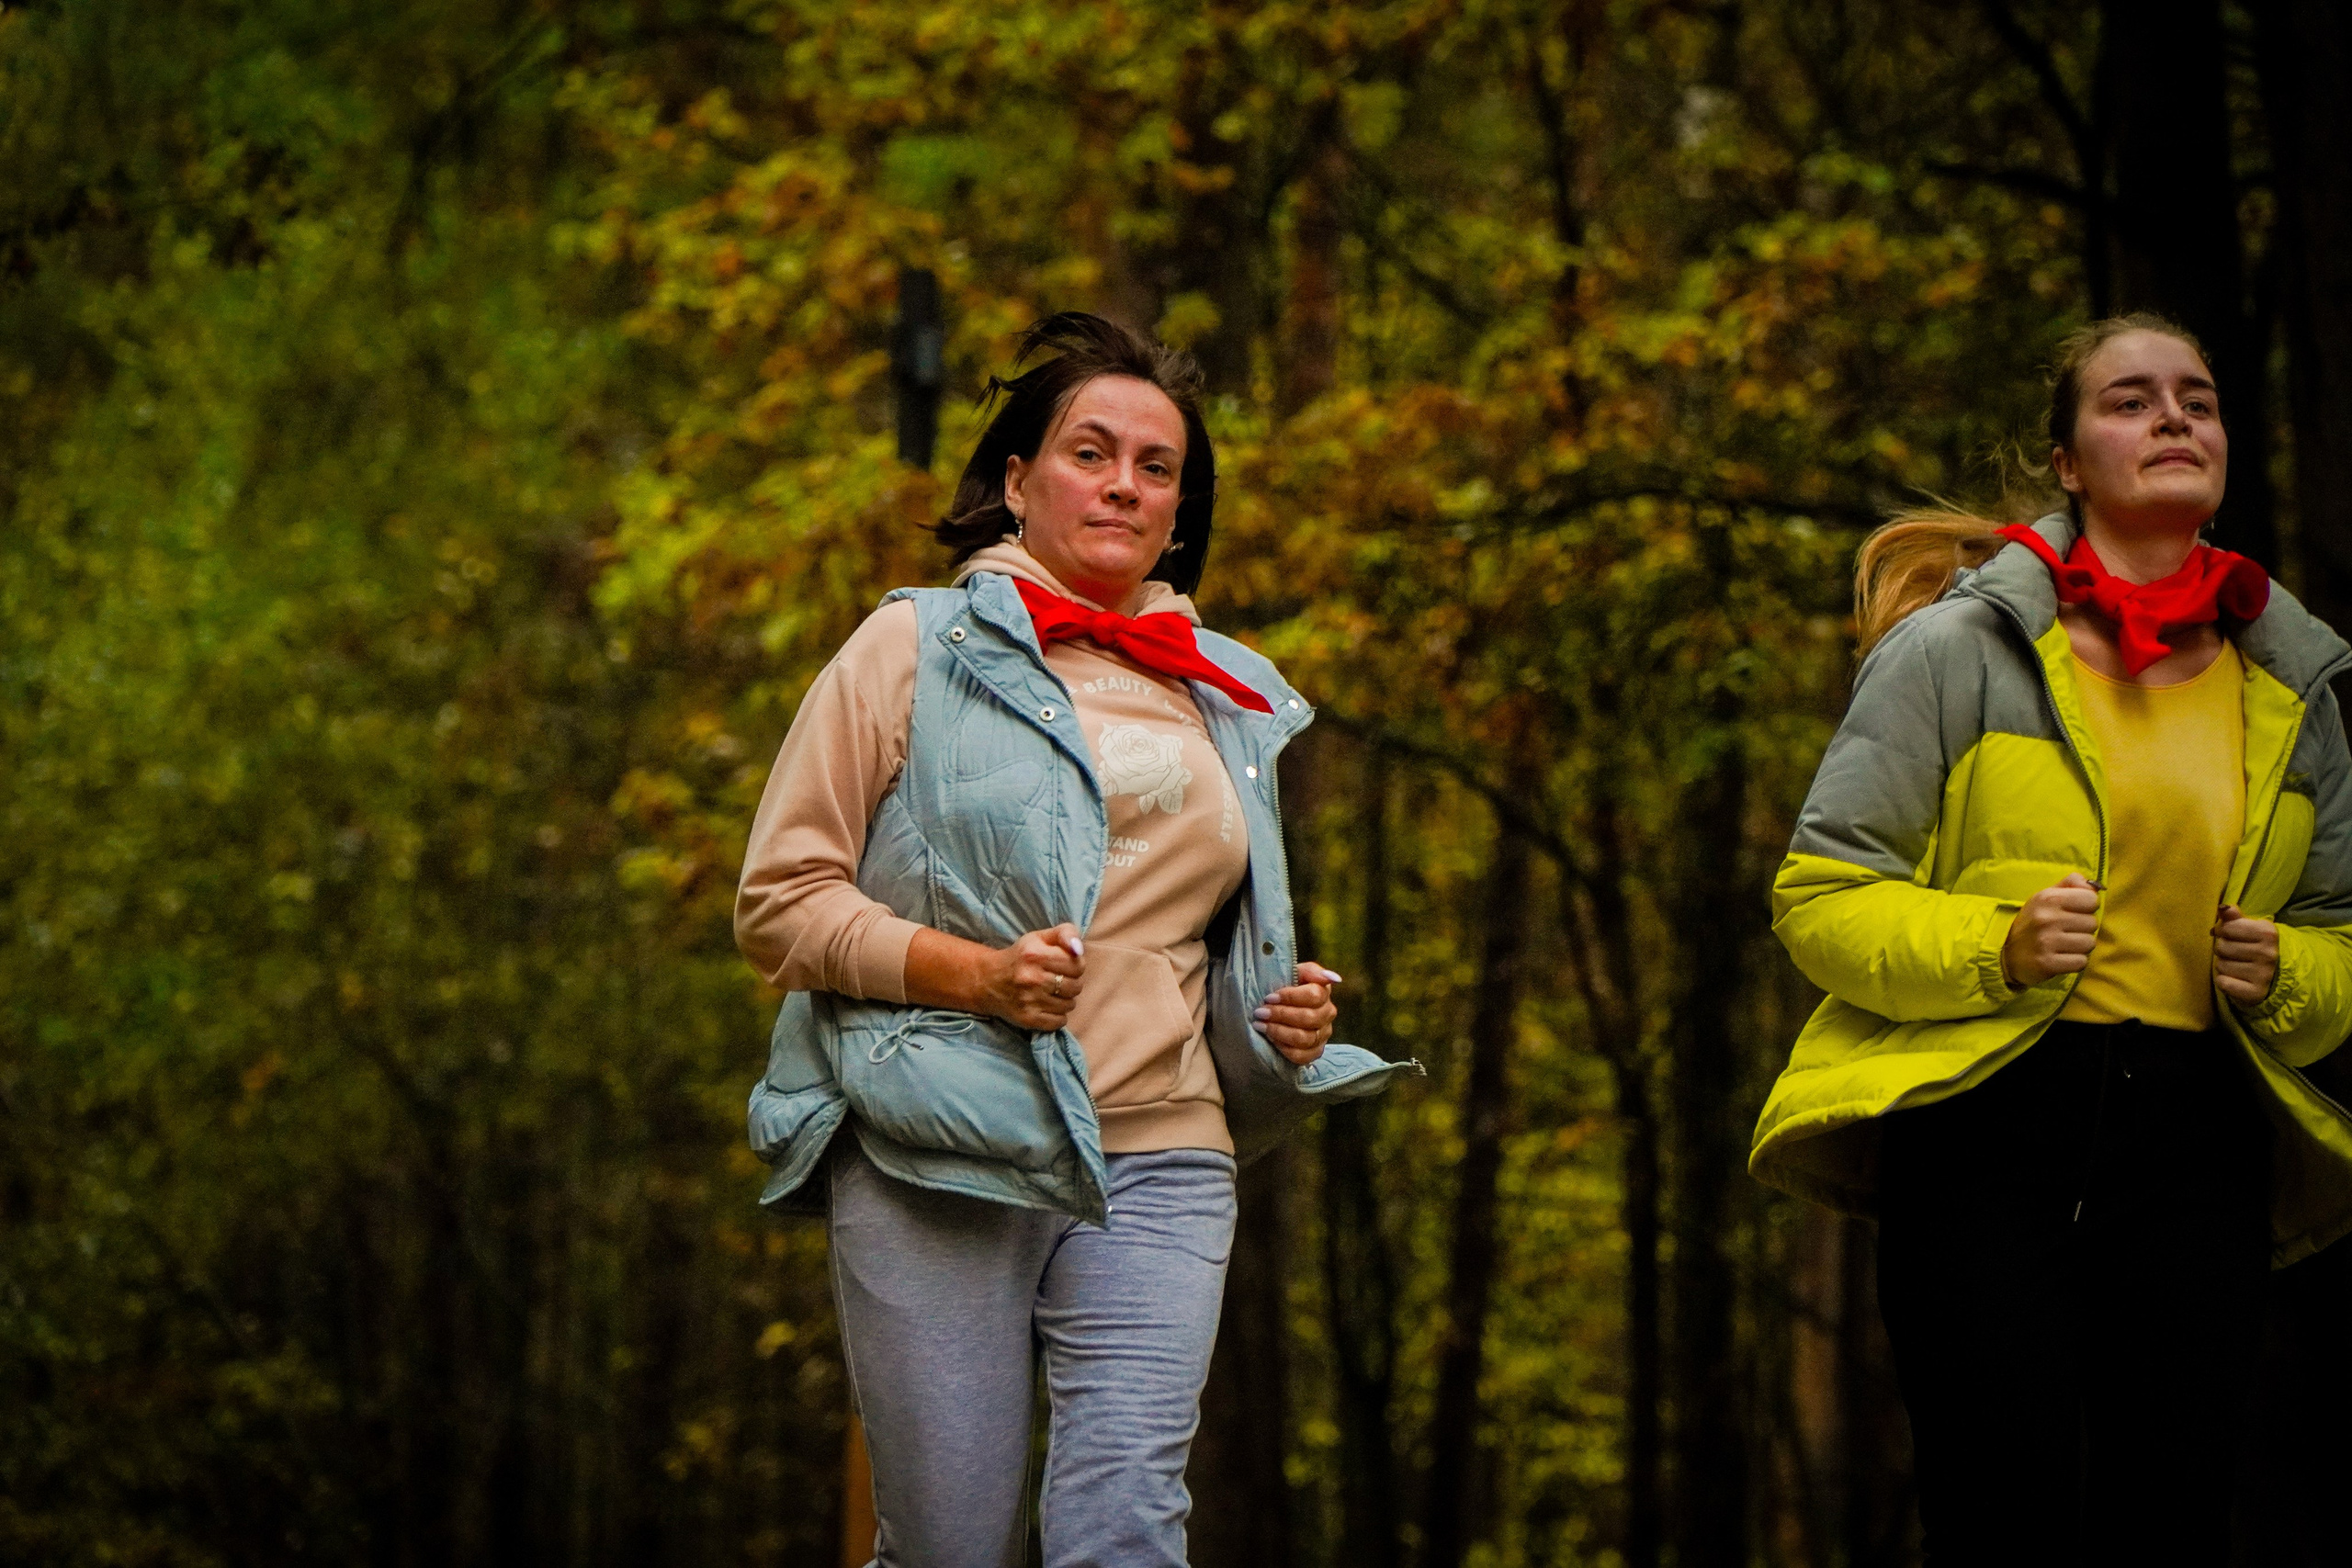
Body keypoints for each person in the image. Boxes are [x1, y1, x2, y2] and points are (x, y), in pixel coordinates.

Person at [735, 311, 1412, 1568]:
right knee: (948, 1542)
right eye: (1092, 452)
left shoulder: (1228, 688)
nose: (1125, 484)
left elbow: (1192, 935)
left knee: (1127, 1535)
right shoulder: (910, 649)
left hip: (1161, 1152)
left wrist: (1276, 1014)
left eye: (1157, 468)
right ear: (1016, 482)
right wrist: (973, 974)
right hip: (947, 1142)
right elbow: (778, 903)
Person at [1749, 313, 2352, 1564]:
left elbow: (2337, 941)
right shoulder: (1954, 653)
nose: (2175, 417)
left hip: (2203, 1134)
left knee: (2173, 1519)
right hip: (1991, 1124)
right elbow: (1822, 894)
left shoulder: (2294, 685)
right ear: (2069, 462)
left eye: (2198, 399)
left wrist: (2285, 972)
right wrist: (1997, 944)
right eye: (2131, 401)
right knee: (1998, 1510)